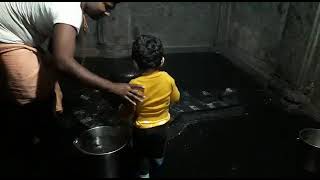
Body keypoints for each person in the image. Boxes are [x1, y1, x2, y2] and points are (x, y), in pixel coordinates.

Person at [0, 2, 144, 176]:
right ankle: (31, 151)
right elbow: (63, 61)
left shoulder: (72, 8)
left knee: (49, 70)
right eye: (106, 6)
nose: (106, 13)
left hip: (16, 27)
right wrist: (112, 87)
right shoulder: (69, 11)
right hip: (7, 35)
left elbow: (55, 53)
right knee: (32, 94)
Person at [119, 34, 180, 178]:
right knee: (158, 151)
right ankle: (158, 163)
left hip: (142, 129)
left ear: (134, 63)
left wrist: (122, 116)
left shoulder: (134, 85)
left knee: (141, 155)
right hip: (162, 126)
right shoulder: (168, 79)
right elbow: (176, 98)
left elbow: (130, 109)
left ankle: (144, 174)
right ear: (162, 60)